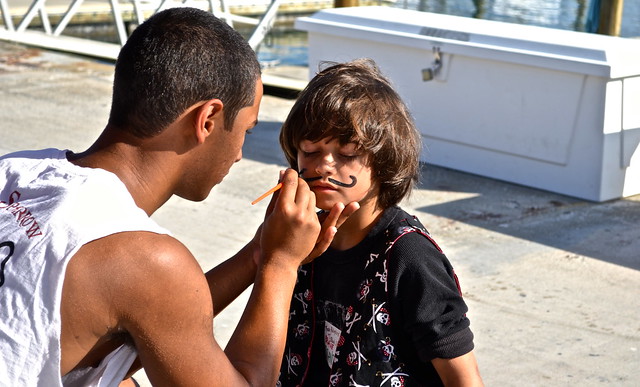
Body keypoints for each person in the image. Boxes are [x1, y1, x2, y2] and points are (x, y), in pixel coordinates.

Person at [0, 7, 356, 387]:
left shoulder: (17, 168)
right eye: (246, 132)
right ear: (207, 120)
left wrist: (257, 254)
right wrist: (280, 263)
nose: (238, 154)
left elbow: (147, 321)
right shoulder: (147, 260)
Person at [277, 59, 483, 386]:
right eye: (310, 150)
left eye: (347, 154)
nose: (324, 166)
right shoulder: (298, 239)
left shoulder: (410, 257)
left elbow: (464, 379)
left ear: (384, 162)